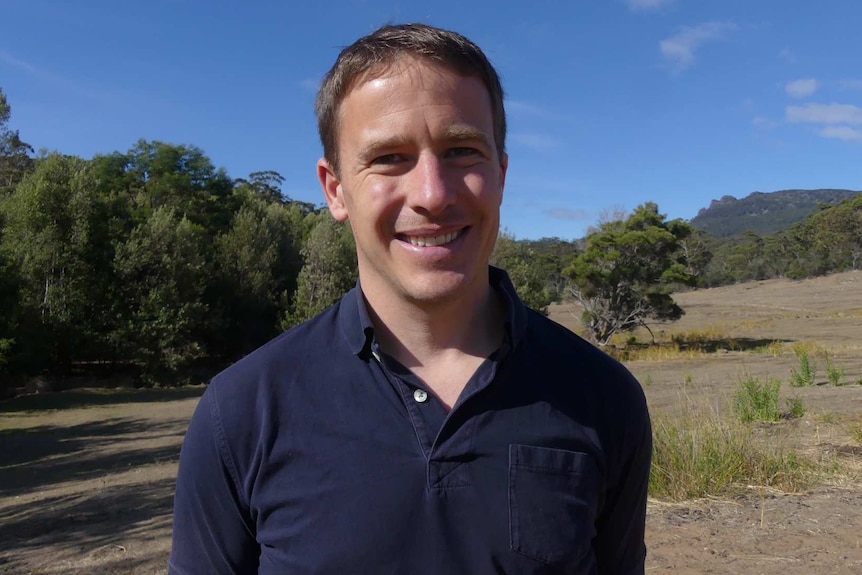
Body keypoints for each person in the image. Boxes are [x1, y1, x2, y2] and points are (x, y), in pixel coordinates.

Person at [169, 23, 651, 575]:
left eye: (462, 150)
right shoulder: (242, 411)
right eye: (390, 158)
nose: (432, 194)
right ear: (335, 190)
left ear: (501, 173)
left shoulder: (604, 397)